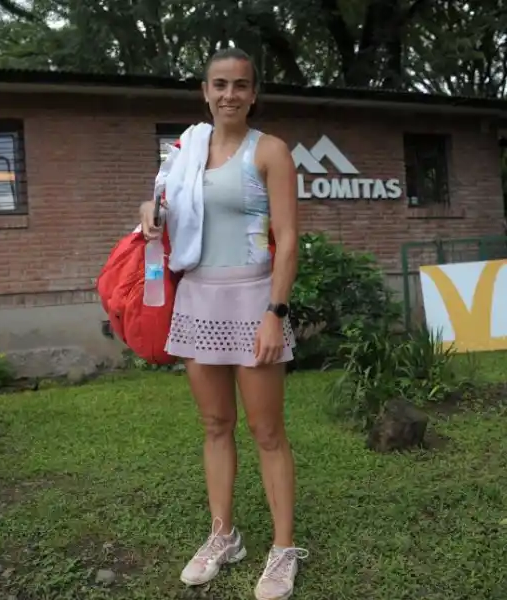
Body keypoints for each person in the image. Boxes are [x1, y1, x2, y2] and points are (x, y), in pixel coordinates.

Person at [139, 47, 306, 600]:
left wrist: (275, 313)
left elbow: (288, 242)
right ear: (204, 92)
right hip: (198, 301)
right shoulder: (184, 151)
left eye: (240, 85)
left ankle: (283, 549)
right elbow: (164, 210)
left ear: (253, 94)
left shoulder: (270, 151)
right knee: (215, 425)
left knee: (267, 431)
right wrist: (148, 212)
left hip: (254, 301)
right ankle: (223, 536)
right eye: (219, 84)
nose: (229, 94)